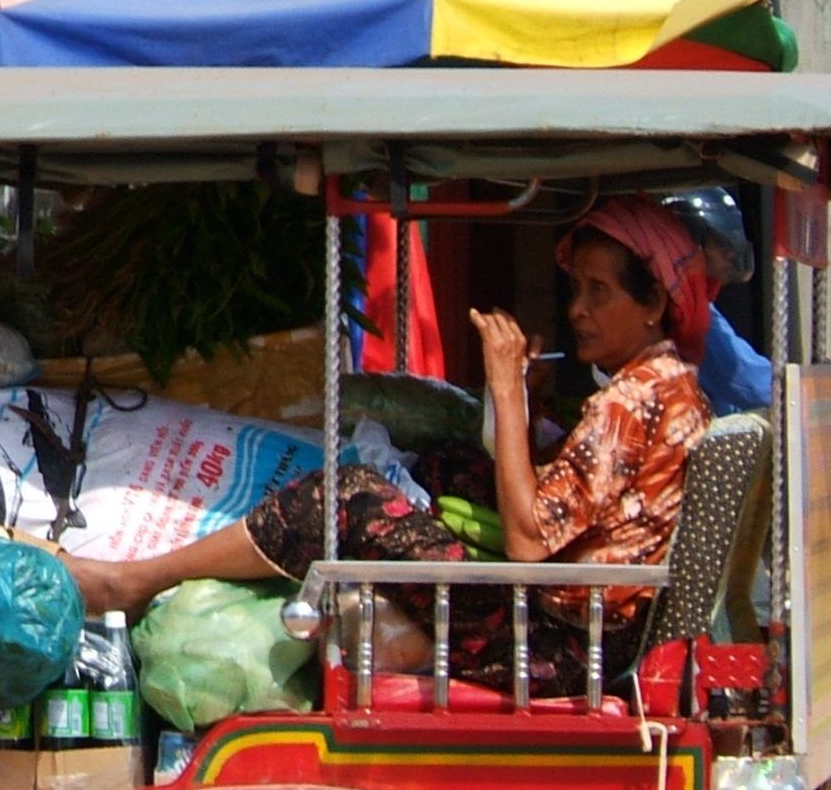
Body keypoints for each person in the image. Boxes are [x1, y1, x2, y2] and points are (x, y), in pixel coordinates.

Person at [68, 195, 714, 693]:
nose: (578, 310)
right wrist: (527, 405)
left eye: (600, 293)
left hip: (559, 644)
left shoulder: (635, 399)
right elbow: (568, 501)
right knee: (445, 467)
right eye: (577, 289)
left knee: (348, 496)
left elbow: (528, 541)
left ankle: (136, 580)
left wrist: (505, 390)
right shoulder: (669, 386)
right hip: (577, 625)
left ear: (654, 302)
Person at [663, 187, 772, 416]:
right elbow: (755, 385)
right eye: (720, 243)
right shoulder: (684, 309)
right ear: (690, 242)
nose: (730, 253)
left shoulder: (697, 302)